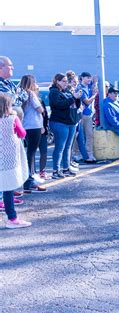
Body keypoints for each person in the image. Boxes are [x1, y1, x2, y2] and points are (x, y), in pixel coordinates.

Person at [0, 92, 31, 228]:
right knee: (8, 189)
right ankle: (11, 218)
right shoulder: (12, 118)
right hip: (8, 160)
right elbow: (22, 133)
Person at [49, 73, 83, 179]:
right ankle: (55, 170)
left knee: (68, 147)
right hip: (60, 122)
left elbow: (76, 105)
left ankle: (66, 168)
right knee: (60, 147)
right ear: (57, 81)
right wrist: (73, 97)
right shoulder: (54, 92)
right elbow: (60, 105)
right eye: (63, 81)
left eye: (66, 81)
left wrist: (77, 98)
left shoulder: (67, 91)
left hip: (71, 122)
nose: (65, 83)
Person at [19, 75, 47, 192]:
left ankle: (29, 179)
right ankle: (29, 181)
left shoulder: (20, 92)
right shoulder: (30, 94)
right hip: (34, 126)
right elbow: (40, 109)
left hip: (26, 125)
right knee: (31, 154)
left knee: (29, 153)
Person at [0, 56, 28, 121]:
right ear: (0, 67)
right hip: (4, 126)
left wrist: (16, 95)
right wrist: (18, 95)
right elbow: (11, 101)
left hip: (14, 125)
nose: (13, 68)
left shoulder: (10, 83)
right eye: (10, 65)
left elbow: (25, 95)